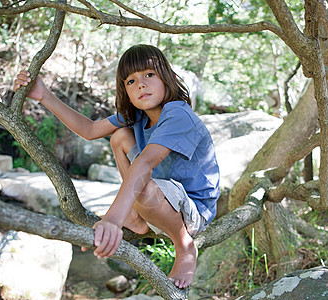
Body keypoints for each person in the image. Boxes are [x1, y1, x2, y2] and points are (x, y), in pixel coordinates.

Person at [13, 44, 220, 288]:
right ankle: (136, 216)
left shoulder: (177, 114)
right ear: (125, 91)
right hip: (163, 196)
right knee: (120, 137)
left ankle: (184, 245)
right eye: (131, 81)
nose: (141, 84)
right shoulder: (137, 115)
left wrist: (112, 219)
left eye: (149, 75)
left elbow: (145, 163)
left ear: (169, 78)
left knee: (142, 182)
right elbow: (89, 130)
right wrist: (44, 95)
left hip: (194, 211)